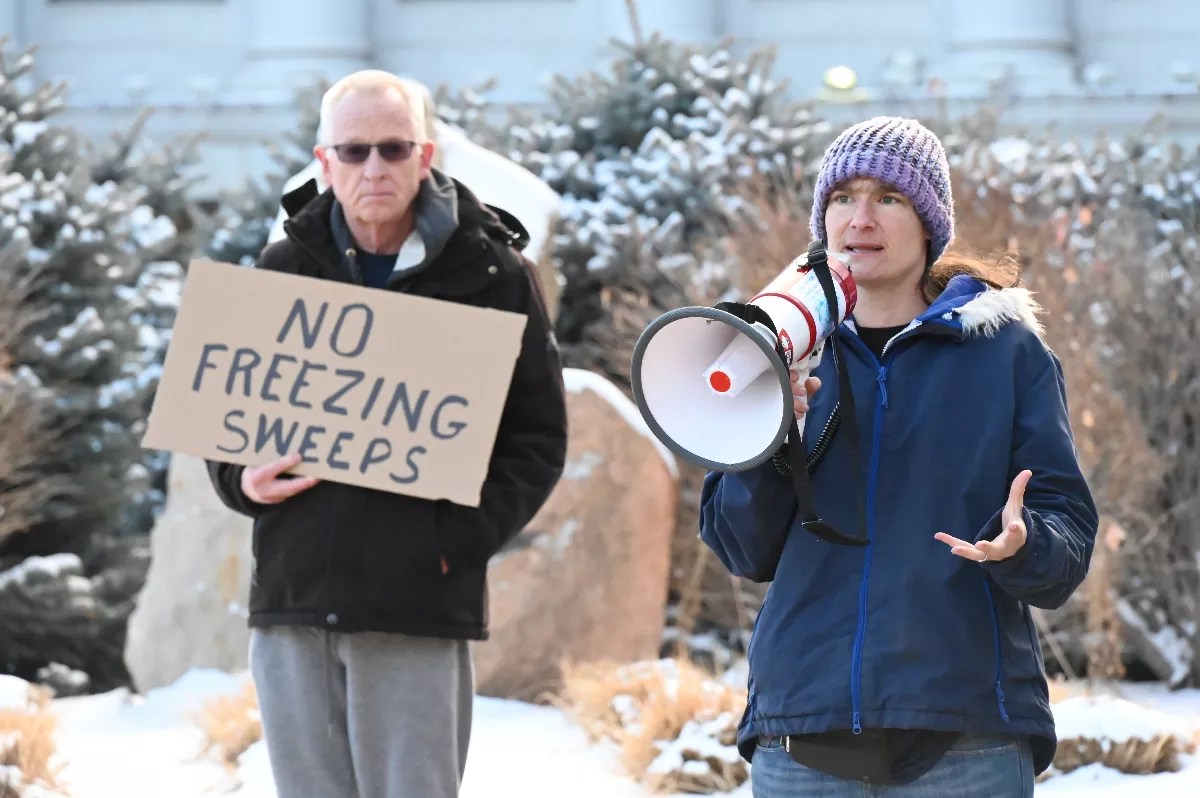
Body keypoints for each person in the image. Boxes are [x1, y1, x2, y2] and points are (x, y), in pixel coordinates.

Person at [700, 116, 1098, 797]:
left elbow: (1065, 543)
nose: (861, 218)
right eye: (842, 198)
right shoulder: (777, 352)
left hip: (966, 741)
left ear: (929, 222)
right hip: (802, 738)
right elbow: (740, 548)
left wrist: (1024, 544)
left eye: (888, 198)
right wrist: (768, 441)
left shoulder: (1005, 354)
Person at [205, 70, 568, 798]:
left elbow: (537, 437)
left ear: (426, 156)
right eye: (356, 150)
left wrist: (452, 540)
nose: (375, 167)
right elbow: (227, 425)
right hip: (295, 602)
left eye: (394, 149)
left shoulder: (493, 273)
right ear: (324, 160)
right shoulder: (280, 270)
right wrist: (238, 479)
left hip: (417, 608)